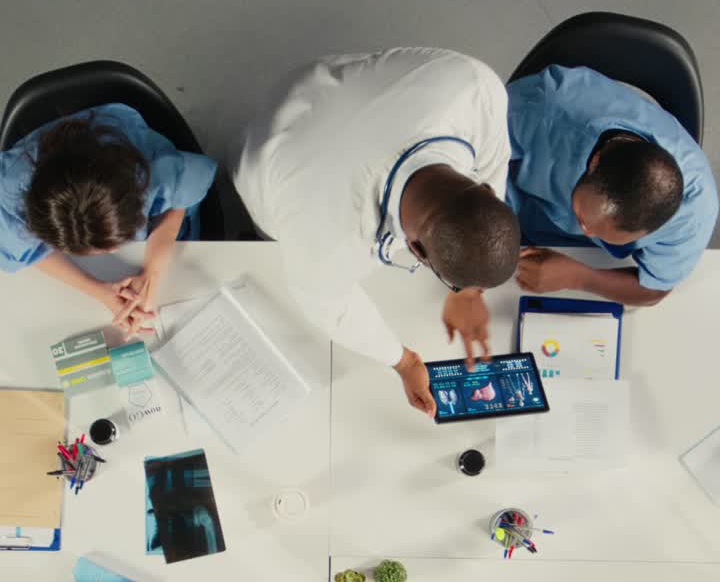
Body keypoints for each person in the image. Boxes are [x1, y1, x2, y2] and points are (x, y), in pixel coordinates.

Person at [234, 48, 520, 416]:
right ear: (415, 250)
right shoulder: (327, 237)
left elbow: (492, 165)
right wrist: (404, 362)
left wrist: (467, 290)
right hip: (270, 151)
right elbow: (332, 311)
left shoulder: (476, 88)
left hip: (329, 88)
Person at [506, 65, 719, 307]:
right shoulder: (539, 109)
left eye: (609, 235)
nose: (585, 231)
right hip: (521, 211)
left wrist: (578, 277)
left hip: (597, 260)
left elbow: (656, 288)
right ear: (594, 161)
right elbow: (479, 156)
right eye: (583, 218)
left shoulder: (693, 214)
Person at [0, 104, 217, 335]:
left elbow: (184, 195)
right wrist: (99, 291)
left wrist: (152, 272)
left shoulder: (154, 171)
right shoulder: (8, 191)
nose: (111, 253)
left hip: (122, 136)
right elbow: (20, 252)